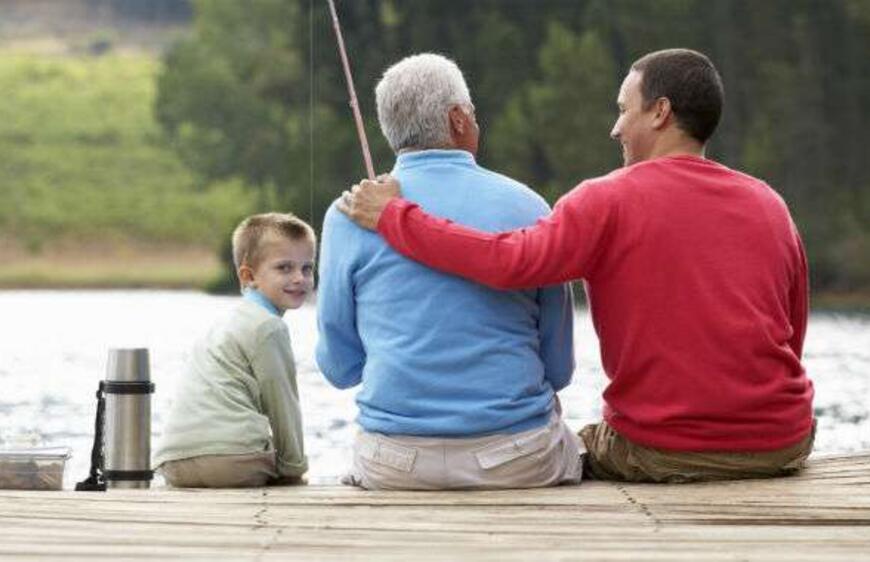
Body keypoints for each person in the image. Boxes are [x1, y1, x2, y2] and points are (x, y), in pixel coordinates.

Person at [339, 48, 815, 483]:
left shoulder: (607, 200)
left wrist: (394, 217)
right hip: (783, 443)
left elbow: (509, 261)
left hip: (663, 450)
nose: (615, 128)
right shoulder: (768, 203)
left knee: (575, 447)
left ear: (660, 112)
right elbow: (792, 331)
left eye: (623, 110)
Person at [316, 53, 583, 491]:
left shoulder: (347, 214)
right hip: (516, 460)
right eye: (472, 112)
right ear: (459, 119)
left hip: (395, 464)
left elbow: (340, 368)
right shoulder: (530, 206)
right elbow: (559, 369)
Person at [154, 212, 312, 487]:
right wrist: (294, 468)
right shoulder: (268, 327)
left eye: (307, 268)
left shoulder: (225, 322)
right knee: (275, 463)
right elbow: (282, 402)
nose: (299, 278)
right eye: (284, 268)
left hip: (175, 462)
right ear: (249, 276)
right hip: (233, 460)